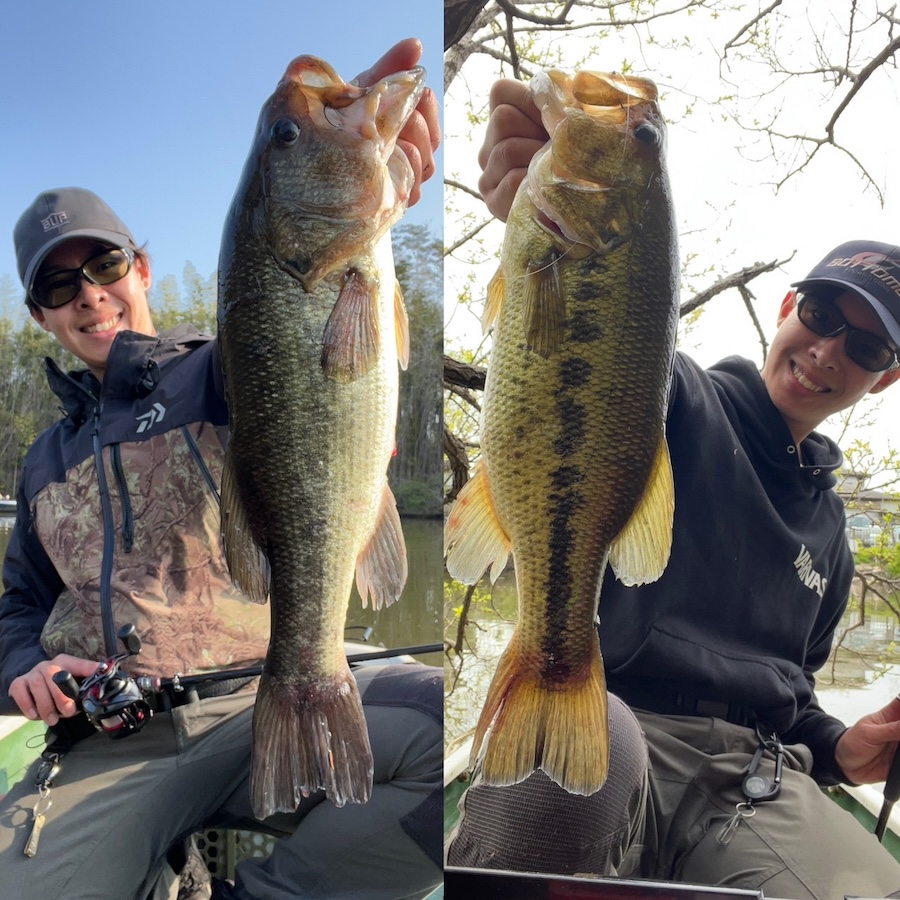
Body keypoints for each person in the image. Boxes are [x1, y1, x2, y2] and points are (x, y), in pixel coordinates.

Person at [0, 39, 442, 900]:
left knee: (442, 735)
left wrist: (374, 183)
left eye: (105, 265)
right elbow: (18, 602)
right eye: (59, 288)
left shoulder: (221, 369)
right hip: (109, 744)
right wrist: (23, 665)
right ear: (41, 316)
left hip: (255, 696)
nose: (88, 294)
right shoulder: (43, 459)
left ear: (140, 270)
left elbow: (324, 385)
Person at [445, 77, 900, 899]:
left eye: (865, 348)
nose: (829, 351)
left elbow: (792, 697)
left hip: (756, 778)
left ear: (886, 378)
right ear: (788, 306)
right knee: (556, 780)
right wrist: (534, 206)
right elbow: (585, 353)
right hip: (618, 718)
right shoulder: (672, 396)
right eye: (823, 315)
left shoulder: (832, 536)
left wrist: (842, 748)